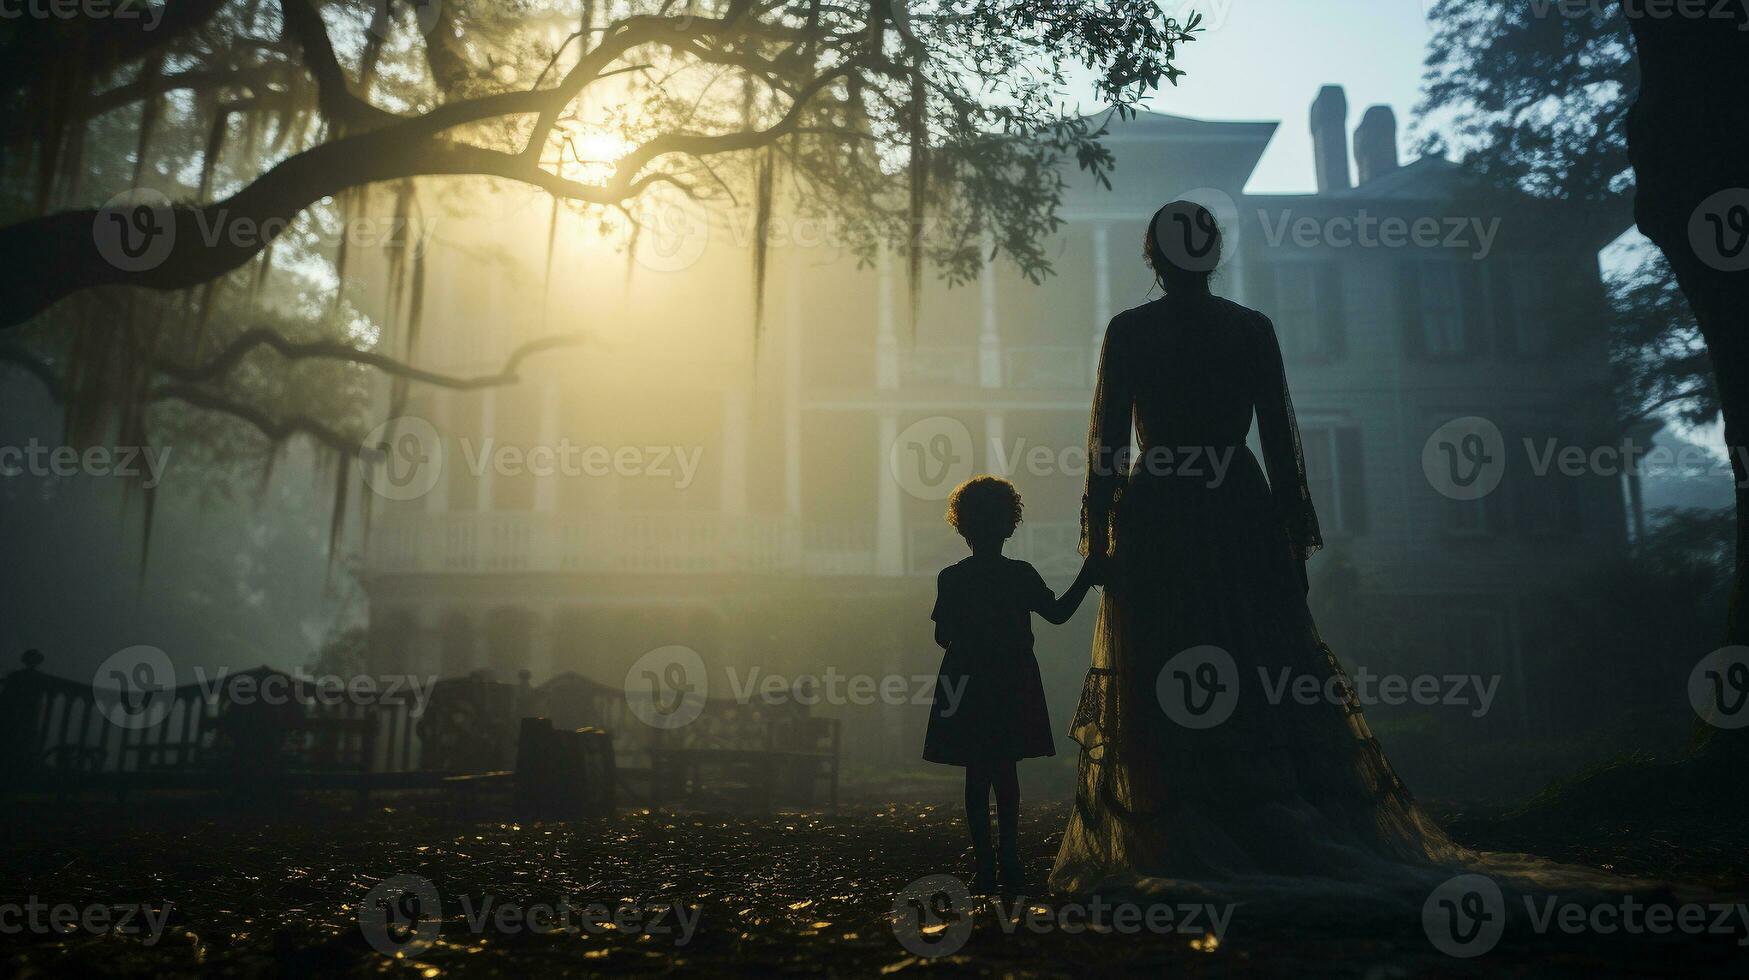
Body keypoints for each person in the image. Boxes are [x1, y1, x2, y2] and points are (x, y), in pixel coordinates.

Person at [1051, 201, 1462, 892]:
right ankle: (1259, 807)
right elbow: (1277, 439)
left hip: (1163, 510)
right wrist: (1290, 533)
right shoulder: (1249, 329)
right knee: (1252, 653)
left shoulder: (1130, 331)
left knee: (1167, 654)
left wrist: (1099, 537)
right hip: (1234, 501)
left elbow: (1108, 447)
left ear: (1153, 258)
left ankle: (1176, 816)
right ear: (1212, 256)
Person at [924, 475, 1099, 894]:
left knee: (976, 770)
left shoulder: (951, 578)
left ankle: (984, 863)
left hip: (966, 679)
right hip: (1011, 678)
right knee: (1005, 768)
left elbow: (942, 635)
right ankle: (1010, 858)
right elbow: (1058, 614)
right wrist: (1087, 574)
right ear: (1010, 524)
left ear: (962, 526)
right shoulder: (1021, 574)